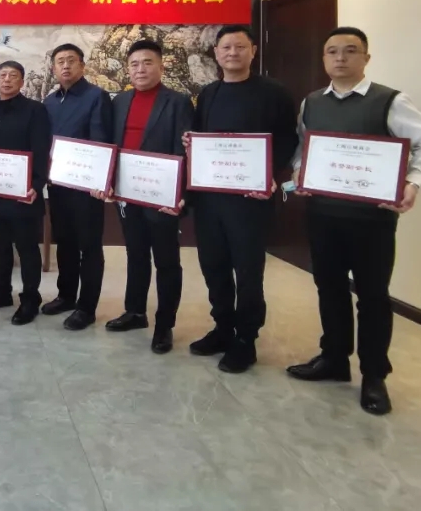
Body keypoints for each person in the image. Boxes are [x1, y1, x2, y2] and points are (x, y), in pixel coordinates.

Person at [287, 27, 421, 415]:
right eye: (332, 52)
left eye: (350, 51)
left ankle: (374, 375)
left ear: (366, 58)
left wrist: (412, 183)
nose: (340, 58)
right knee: (329, 288)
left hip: (372, 219)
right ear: (324, 59)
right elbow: (303, 147)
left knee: (373, 296)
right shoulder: (311, 102)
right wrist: (300, 172)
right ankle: (334, 358)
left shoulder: (390, 101)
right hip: (323, 214)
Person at [187, 24, 298, 374]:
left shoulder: (274, 93)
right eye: (226, 47)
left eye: (239, 47)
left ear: (253, 51)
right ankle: (222, 328)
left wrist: (271, 176)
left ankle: (245, 339)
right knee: (214, 266)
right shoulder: (209, 93)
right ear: (216, 53)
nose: (232, 53)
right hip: (210, 198)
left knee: (248, 271)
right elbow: (201, 138)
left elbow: (288, 139)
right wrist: (191, 142)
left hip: (250, 199)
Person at [101, 40, 193, 354]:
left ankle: (165, 324)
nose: (140, 69)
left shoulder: (178, 102)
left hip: (161, 195)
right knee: (136, 254)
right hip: (127, 194)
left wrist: (180, 194)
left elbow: (185, 150)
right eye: (135, 64)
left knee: (166, 261)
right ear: (128, 69)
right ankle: (135, 312)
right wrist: (107, 180)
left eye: (148, 62)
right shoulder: (120, 101)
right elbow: (112, 144)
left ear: (161, 66)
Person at [0, 61, 52, 325]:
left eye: (13, 76)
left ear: (22, 81)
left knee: (27, 248)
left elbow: (41, 150)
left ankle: (30, 299)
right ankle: (2, 293)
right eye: (2, 75)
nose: (7, 80)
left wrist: (36, 185)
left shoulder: (35, 111)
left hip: (23, 195)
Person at [42, 42, 113, 330]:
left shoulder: (96, 96)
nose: (65, 66)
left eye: (71, 60)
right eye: (60, 61)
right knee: (65, 242)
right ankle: (66, 295)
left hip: (86, 188)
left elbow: (101, 139)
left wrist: (99, 180)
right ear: (54, 68)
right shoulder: (50, 101)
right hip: (58, 184)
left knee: (89, 246)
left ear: (82, 66)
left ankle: (87, 307)